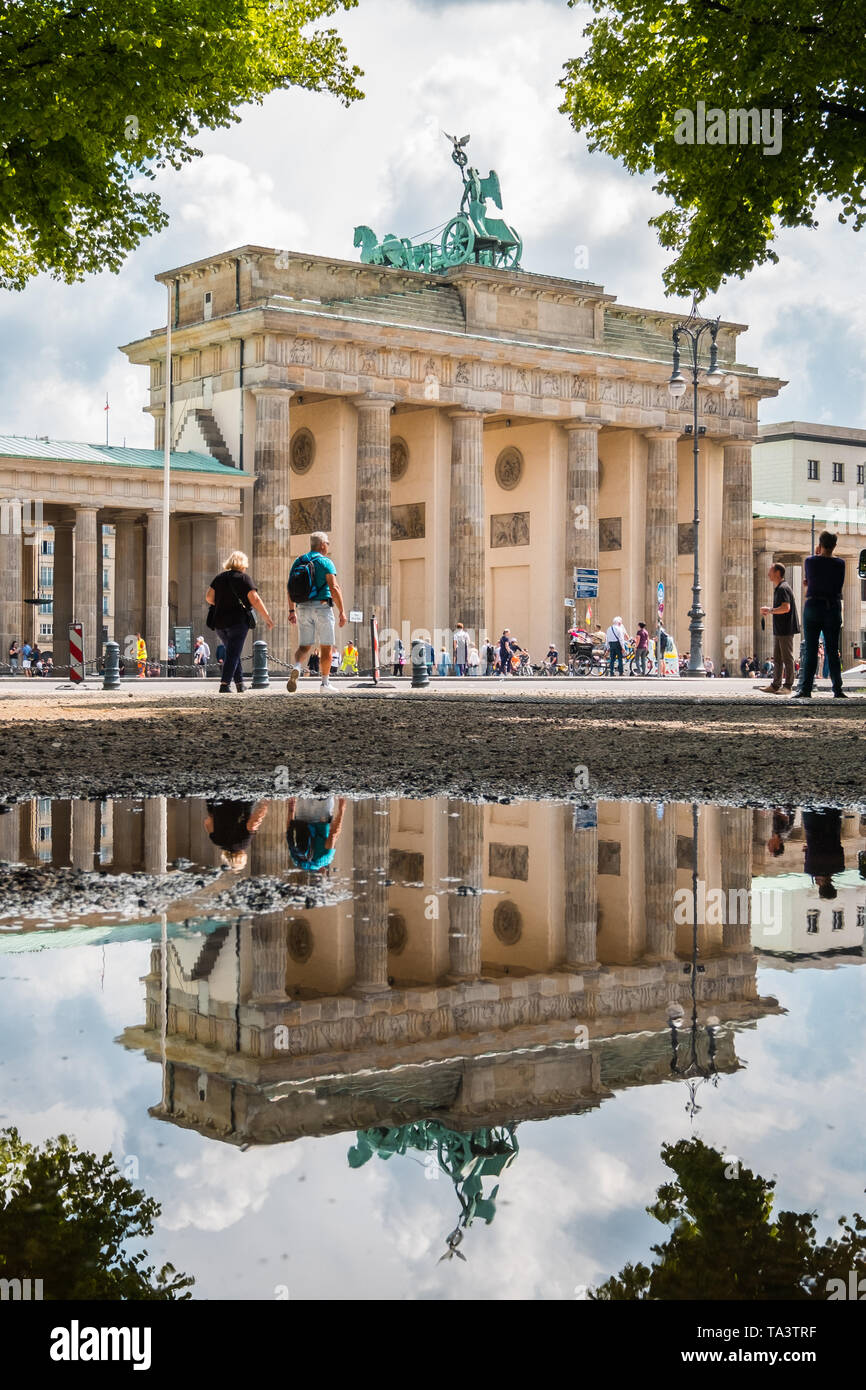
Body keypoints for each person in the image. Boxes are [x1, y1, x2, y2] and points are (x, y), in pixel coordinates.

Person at [286, 531, 347, 695]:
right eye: (327, 543)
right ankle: (325, 683)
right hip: (322, 608)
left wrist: (292, 610)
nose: (328, 546)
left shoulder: (299, 561)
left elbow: (290, 587)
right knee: (326, 647)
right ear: (322, 545)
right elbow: (334, 587)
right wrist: (342, 611)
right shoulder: (326, 562)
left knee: (304, 646)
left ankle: (297, 667)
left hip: (303, 608)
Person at [205, 549, 274, 694]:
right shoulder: (244, 579)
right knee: (233, 654)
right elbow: (255, 599)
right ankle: (224, 685)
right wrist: (267, 617)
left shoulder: (219, 578)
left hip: (219, 623)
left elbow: (209, 598)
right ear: (243, 564)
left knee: (232, 652)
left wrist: (222, 602)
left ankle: (240, 684)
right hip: (237, 622)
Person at [792, 531, 846, 699]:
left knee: (810, 649)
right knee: (832, 650)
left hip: (813, 606)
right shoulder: (840, 564)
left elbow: (809, 581)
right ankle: (837, 689)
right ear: (835, 546)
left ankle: (806, 689)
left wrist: (817, 553)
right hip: (832, 607)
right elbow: (838, 585)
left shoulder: (810, 561)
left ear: (820, 545)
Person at [759, 562, 800, 694]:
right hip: (780, 629)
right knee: (777, 658)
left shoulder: (783, 588)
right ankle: (776, 685)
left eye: (770, 570)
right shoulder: (779, 588)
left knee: (787, 658)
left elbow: (786, 608)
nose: (768, 573)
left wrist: (769, 610)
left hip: (786, 629)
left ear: (777, 573)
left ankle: (788, 686)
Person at [204, 798, 269, 871]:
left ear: (242, 858)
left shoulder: (243, 844)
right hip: (217, 802)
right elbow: (208, 822)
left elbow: (253, 824)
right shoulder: (216, 841)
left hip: (242, 802)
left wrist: (264, 805)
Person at [286, 795, 346, 872]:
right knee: (304, 787)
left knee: (325, 786)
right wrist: (291, 809)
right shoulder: (298, 861)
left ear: (322, 870)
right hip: (301, 816)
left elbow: (333, 834)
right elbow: (289, 834)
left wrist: (342, 809)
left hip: (321, 814)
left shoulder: (324, 860)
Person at [802, 807, 845, 898]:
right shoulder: (809, 870)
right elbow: (808, 852)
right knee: (810, 803)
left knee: (833, 805)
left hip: (832, 830)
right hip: (813, 831)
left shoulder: (839, 867)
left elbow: (840, 849)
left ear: (833, 887)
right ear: (820, 888)